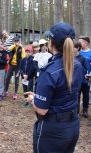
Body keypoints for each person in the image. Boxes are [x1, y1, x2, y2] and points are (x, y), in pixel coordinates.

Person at [25, 22, 83, 153]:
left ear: (51, 43)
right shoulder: (77, 65)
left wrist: (32, 99)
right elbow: (65, 93)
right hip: (72, 125)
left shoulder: (50, 71)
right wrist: (38, 96)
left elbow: (41, 110)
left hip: (52, 130)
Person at [78, 36, 91, 118]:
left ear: (86, 42)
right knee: (77, 94)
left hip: (87, 78)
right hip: (77, 78)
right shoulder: (78, 52)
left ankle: (85, 109)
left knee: (86, 94)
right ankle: (76, 110)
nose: (79, 43)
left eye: (80, 42)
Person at [74, 41, 88, 117]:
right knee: (77, 96)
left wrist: (79, 72)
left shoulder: (82, 58)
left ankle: (85, 110)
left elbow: (86, 69)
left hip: (83, 81)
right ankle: (76, 112)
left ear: (77, 48)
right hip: (75, 82)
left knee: (85, 95)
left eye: (73, 47)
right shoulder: (69, 57)